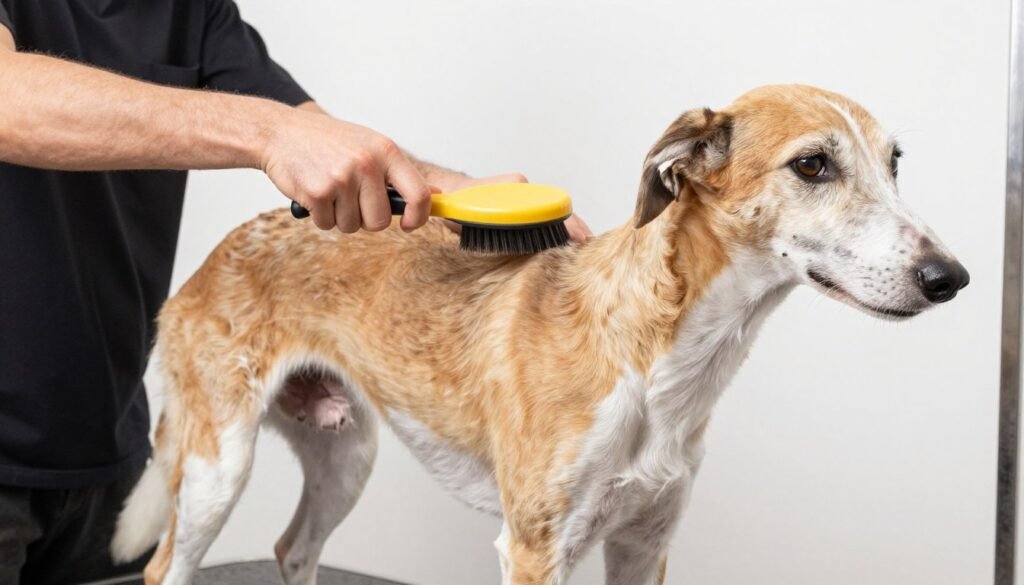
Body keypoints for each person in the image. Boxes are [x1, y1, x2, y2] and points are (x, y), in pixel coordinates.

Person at [0, 2, 592, 583]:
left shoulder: (195, 11)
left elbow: (326, 146)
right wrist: (268, 131)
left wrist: (457, 192)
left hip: (108, 442)